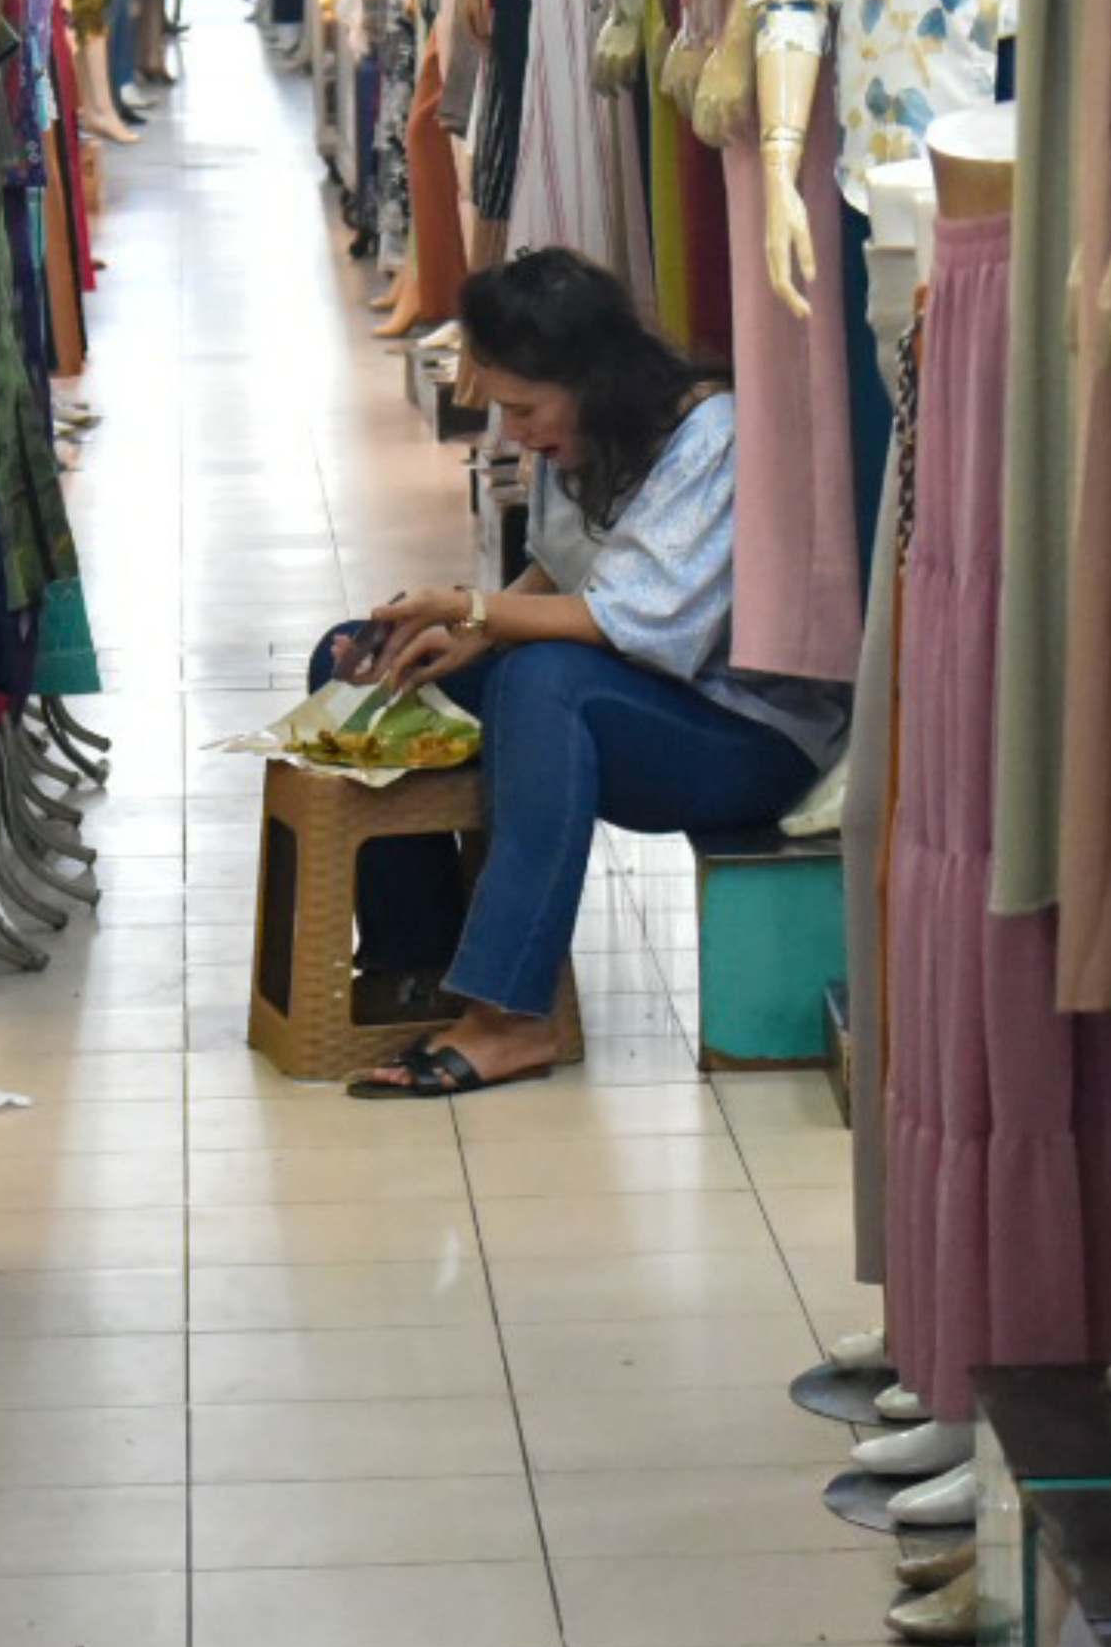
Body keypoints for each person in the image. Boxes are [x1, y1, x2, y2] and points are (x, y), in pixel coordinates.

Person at [321, 250, 842, 1098]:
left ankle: (511, 1016)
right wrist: (461, 630)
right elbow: (564, 572)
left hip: (746, 733)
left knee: (544, 678)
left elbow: (640, 620)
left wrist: (478, 615)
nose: (514, 431)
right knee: (368, 655)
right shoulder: (580, 435)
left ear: (591, 378)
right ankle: (418, 962)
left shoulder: (710, 435)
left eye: (524, 408)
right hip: (641, 697)